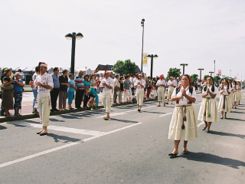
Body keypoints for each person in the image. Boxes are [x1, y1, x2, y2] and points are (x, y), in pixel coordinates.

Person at [168, 74, 197, 159]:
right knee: (177, 129)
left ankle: (185, 147)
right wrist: (180, 96)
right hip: (178, 110)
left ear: (189, 80)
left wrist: (185, 95)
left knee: (186, 129)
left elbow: (194, 100)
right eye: (183, 79)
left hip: (188, 110)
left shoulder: (192, 89)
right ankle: (175, 149)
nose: (184, 80)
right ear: (180, 80)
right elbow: (172, 98)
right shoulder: (177, 89)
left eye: (186, 79)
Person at [35, 63, 54, 136]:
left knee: (45, 112)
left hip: (46, 95)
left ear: (46, 69)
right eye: (40, 67)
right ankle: (43, 128)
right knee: (40, 112)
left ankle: (45, 129)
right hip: (39, 95)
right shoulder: (38, 76)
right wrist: (33, 85)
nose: (41, 68)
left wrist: (41, 85)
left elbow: (51, 87)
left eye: (43, 67)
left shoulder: (48, 76)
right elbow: (36, 86)